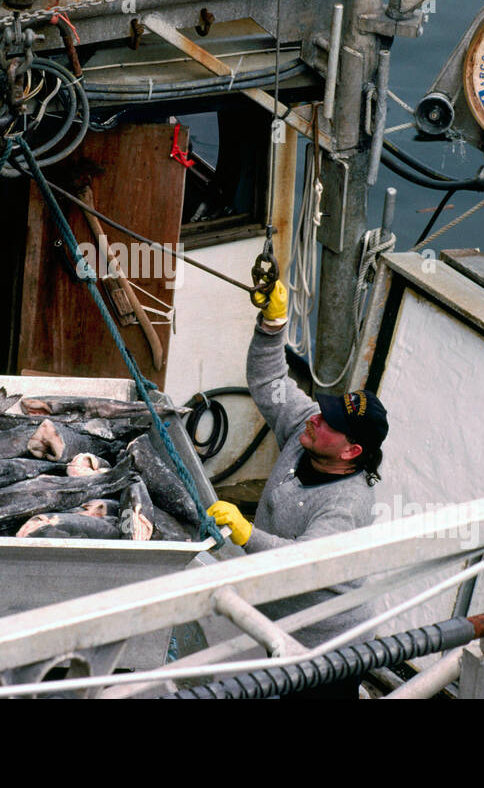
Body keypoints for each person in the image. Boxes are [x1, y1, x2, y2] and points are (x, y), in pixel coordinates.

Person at [206, 278, 388, 697]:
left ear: (351, 451)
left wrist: (248, 535)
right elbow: (269, 381)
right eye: (324, 411)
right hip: (276, 623)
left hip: (328, 650)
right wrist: (273, 324)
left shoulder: (347, 502)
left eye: (328, 423)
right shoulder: (304, 432)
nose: (313, 419)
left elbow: (306, 562)